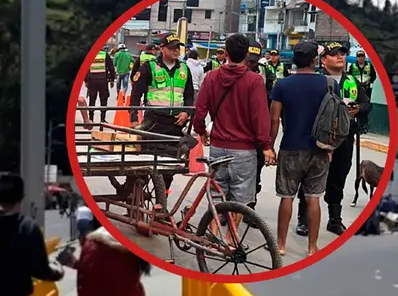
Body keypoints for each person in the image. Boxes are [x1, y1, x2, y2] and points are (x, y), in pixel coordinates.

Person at [293, 41, 370, 237]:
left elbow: (367, 104)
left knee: (338, 178)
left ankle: (335, 219)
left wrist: (359, 109)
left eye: (342, 53)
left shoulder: (352, 80)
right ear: (324, 59)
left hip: (344, 139)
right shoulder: (316, 80)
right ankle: (303, 218)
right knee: (310, 178)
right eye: (335, 54)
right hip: (318, 138)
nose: (340, 57)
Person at [193, 34, 275, 213]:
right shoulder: (254, 81)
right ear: (246, 54)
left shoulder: (211, 77)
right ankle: (230, 239)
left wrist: (201, 131)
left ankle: (215, 234)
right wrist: (266, 145)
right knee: (240, 201)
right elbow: (260, 116)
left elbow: (199, 111)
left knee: (216, 194)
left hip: (218, 147)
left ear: (226, 53)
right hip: (244, 150)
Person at [270, 41, 331, 255]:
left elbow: (274, 119)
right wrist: (331, 149)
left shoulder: (283, 85)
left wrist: (270, 146)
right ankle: (312, 247)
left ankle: (280, 245)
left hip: (291, 147)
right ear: (315, 60)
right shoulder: (328, 83)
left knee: (286, 197)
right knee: (313, 198)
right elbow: (333, 119)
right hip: (319, 149)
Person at [128, 32, 194, 192]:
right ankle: (132, 196)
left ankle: (160, 204)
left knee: (169, 168)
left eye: (178, 48)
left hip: (175, 125)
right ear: (162, 49)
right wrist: (134, 118)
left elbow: (190, 96)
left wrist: (186, 112)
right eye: (172, 48)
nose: (176, 51)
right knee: (142, 166)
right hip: (153, 123)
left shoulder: (184, 69)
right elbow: (135, 96)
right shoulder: (148, 67)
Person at [242, 41, 276, 210]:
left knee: (256, 168)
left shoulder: (266, 72)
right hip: (239, 126)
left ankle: (250, 206)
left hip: (258, 127)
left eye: (254, 60)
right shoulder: (235, 70)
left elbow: (272, 97)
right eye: (249, 59)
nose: (251, 64)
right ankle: (225, 209)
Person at [85, 46, 116, 125]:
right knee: (104, 100)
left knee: (92, 100)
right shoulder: (105, 55)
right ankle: (102, 119)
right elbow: (111, 68)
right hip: (103, 81)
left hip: (92, 81)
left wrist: (86, 80)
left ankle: (91, 119)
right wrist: (112, 80)